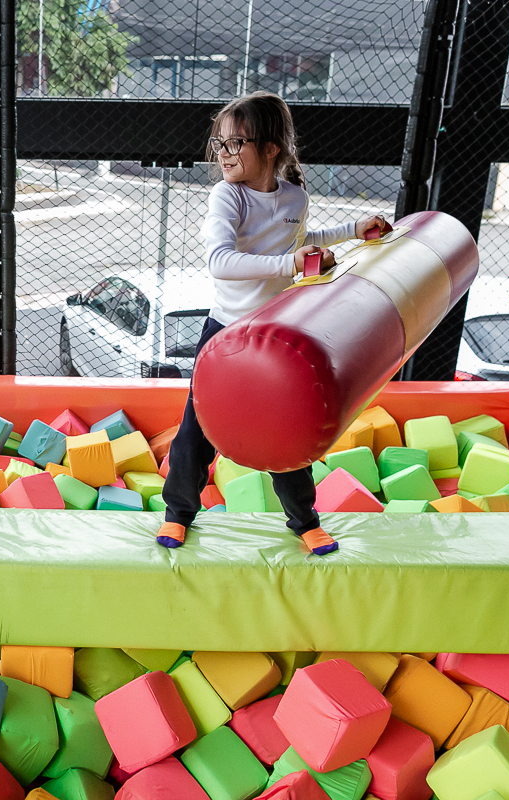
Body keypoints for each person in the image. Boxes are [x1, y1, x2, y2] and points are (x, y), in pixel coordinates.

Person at [155, 92, 389, 554]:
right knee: (196, 431)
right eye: (218, 143)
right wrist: (290, 264)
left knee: (285, 431)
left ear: (270, 148)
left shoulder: (294, 196)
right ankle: (178, 513)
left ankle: (303, 520)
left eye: (235, 143)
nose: (223, 154)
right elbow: (221, 261)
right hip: (224, 332)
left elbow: (301, 238)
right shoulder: (228, 195)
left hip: (276, 336)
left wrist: (352, 229)